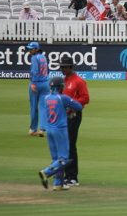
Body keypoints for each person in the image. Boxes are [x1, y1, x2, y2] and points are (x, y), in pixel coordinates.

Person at [38, 77, 83, 191]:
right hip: (60, 130)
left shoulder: (46, 98)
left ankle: (58, 184)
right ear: (60, 87)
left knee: (56, 159)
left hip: (49, 130)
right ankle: (46, 172)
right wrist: (68, 106)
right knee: (63, 158)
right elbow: (78, 106)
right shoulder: (62, 98)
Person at [59, 56, 90, 187]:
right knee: (65, 145)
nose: (62, 69)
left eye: (65, 67)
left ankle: (72, 177)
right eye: (61, 67)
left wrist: (73, 105)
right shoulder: (64, 81)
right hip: (63, 116)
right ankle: (66, 175)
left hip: (74, 116)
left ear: (71, 67)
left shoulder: (79, 81)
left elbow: (86, 98)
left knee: (70, 145)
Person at [26, 41, 49, 137]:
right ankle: (42, 129)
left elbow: (34, 71)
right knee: (43, 107)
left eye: (31, 49)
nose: (29, 51)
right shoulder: (43, 57)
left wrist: (33, 84)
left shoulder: (34, 58)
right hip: (45, 84)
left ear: (36, 49)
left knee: (34, 107)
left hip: (36, 84)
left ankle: (33, 129)